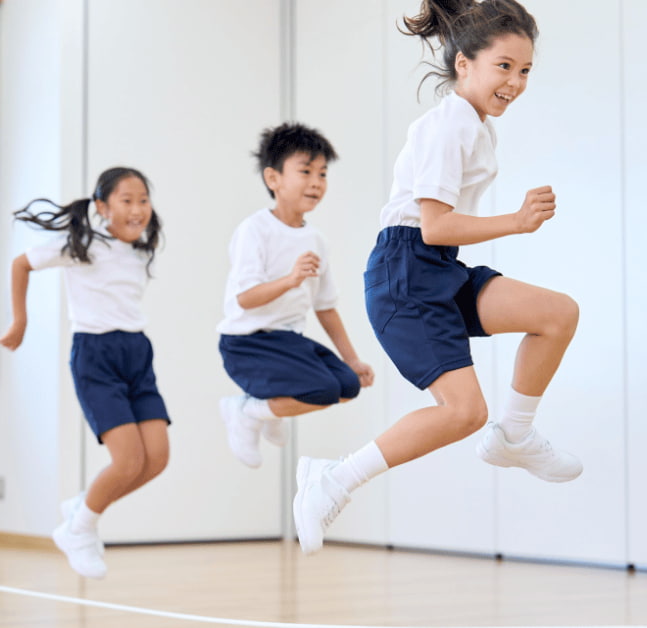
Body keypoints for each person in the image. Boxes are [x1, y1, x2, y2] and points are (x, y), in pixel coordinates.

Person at [293, 0, 582, 555]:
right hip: (406, 272)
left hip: (436, 269)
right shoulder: (449, 125)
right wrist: (517, 223)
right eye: (504, 66)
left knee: (556, 314)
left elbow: (439, 237)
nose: (515, 82)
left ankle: (515, 435)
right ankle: (332, 479)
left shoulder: (472, 125)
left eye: (525, 71)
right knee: (463, 412)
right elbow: (433, 225)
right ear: (464, 64)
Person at [0, 167, 168, 579]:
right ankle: (80, 528)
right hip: (96, 356)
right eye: (126, 200)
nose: (137, 209)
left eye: (143, 199)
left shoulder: (142, 251)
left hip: (137, 353)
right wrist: (20, 321)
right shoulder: (83, 244)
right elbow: (22, 265)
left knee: (157, 459)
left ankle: (81, 507)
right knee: (127, 461)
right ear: (101, 208)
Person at [216, 122, 374, 469]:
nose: (316, 182)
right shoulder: (254, 230)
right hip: (246, 343)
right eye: (305, 171)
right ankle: (247, 410)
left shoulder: (316, 240)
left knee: (347, 385)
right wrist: (290, 280)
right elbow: (244, 299)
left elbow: (326, 307)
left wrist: (352, 358)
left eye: (322, 173)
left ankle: (267, 409)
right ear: (273, 179)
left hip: (289, 341)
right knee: (323, 389)